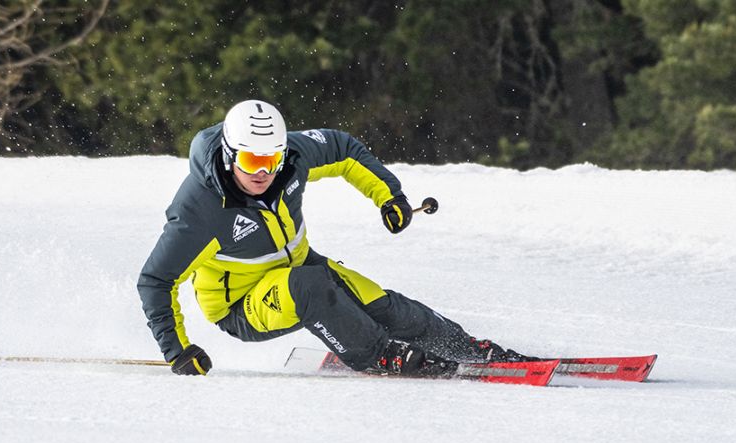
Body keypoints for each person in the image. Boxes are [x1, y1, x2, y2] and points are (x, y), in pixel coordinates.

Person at [138, 99, 532, 377]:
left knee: (382, 305)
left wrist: (389, 196)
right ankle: (381, 356)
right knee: (310, 287)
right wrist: (178, 352)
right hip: (241, 306)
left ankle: (465, 348)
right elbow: (155, 281)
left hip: (298, 269)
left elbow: (343, 149)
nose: (264, 173)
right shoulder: (200, 209)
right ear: (229, 155)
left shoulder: (291, 158)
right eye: (252, 161)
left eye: (272, 160)